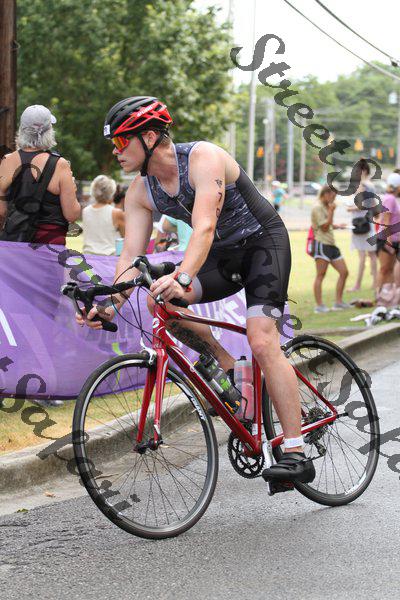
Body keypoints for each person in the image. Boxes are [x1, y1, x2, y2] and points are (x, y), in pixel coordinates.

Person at [77, 96, 316, 484]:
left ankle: (295, 452)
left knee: (261, 340)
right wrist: (110, 303)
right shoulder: (140, 191)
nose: (115, 152)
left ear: (149, 137)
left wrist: (183, 277)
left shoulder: (203, 158)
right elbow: (131, 255)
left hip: (263, 245)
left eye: (121, 141)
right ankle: (230, 368)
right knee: (160, 301)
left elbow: (204, 227)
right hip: (222, 257)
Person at [0, 105, 81, 244]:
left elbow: (1, 212)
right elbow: (72, 215)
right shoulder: (60, 165)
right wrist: (72, 189)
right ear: (49, 131)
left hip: (15, 245)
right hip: (49, 247)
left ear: (21, 130)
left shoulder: (6, 161)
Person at [311, 185, 349, 313]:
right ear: (325, 194)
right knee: (321, 275)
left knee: (344, 272)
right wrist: (332, 211)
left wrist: (338, 226)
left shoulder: (326, 206)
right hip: (322, 244)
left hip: (331, 244)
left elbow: (329, 224)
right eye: (333, 196)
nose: (334, 199)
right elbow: (324, 227)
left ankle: (338, 302)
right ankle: (319, 305)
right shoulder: (317, 207)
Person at [346, 158, 377, 291]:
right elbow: (373, 205)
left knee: (362, 256)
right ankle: (375, 283)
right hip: (369, 223)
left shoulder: (362, 185)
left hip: (360, 225)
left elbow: (361, 206)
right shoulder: (371, 185)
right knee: (372, 255)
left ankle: (358, 285)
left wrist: (350, 208)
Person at [82, 175, 125, 255]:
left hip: (89, 257)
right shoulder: (116, 213)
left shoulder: (85, 211)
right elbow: (125, 237)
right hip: (109, 258)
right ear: (111, 192)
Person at [376, 172, 400, 294]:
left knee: (389, 270)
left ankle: (388, 296)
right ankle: (379, 295)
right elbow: (386, 221)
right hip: (387, 239)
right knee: (384, 269)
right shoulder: (390, 199)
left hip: (393, 239)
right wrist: (388, 242)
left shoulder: (392, 198)